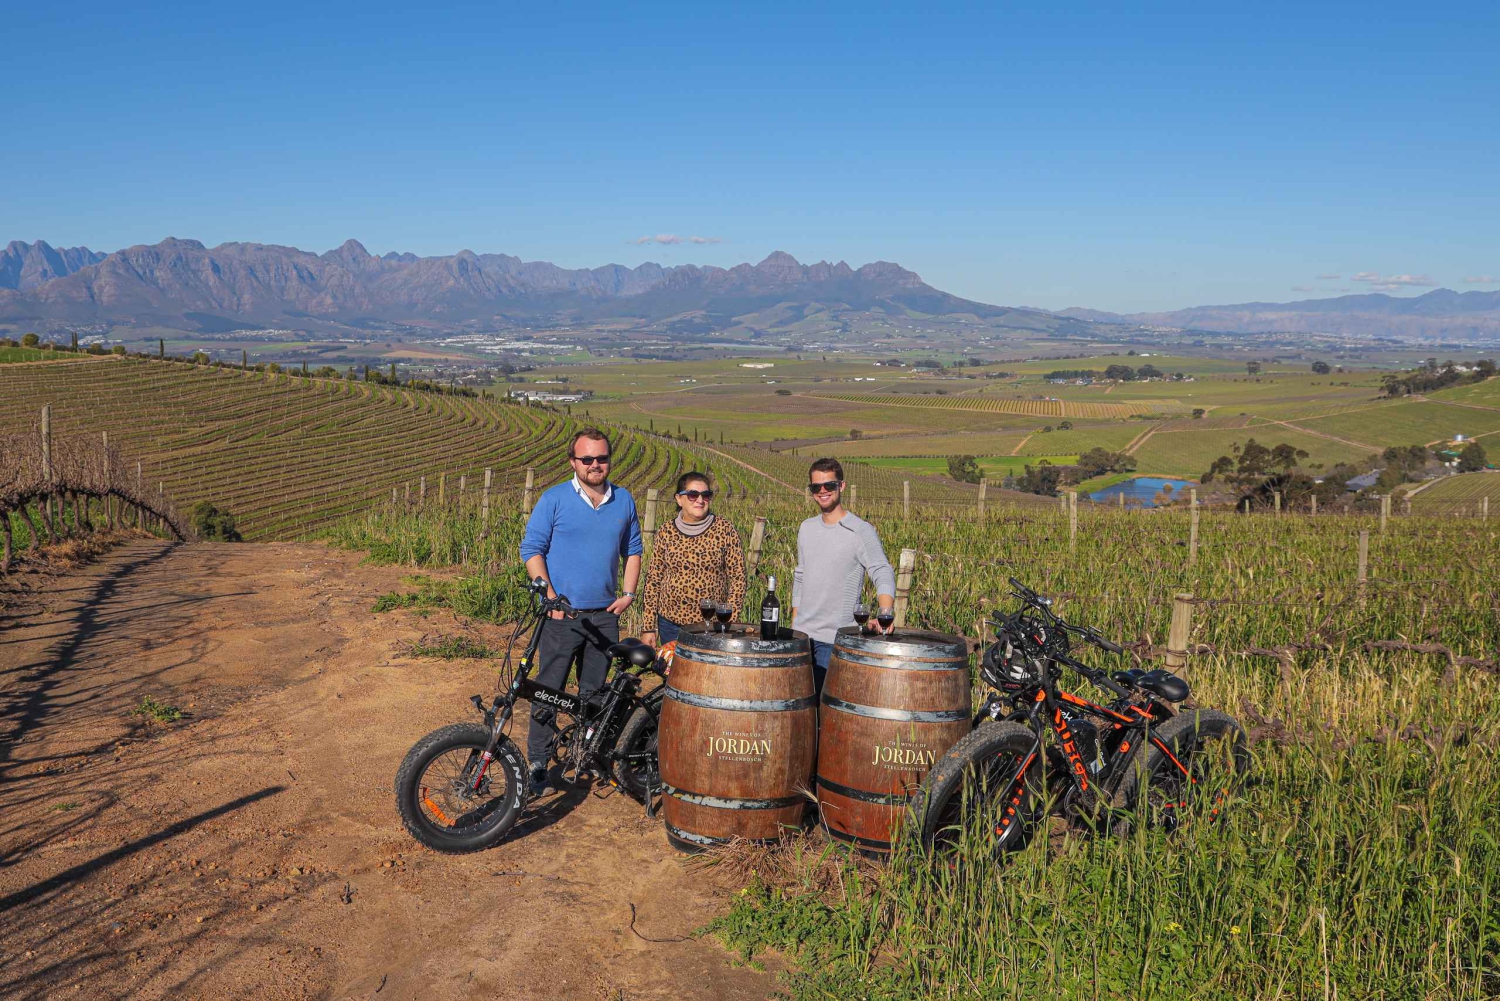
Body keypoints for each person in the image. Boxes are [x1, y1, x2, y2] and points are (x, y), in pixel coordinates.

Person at [518, 428, 643, 797]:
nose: (594, 465)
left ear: (609, 460)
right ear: (572, 461)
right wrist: (551, 600)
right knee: (548, 691)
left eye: (601, 458)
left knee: (596, 694)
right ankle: (539, 764)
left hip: (605, 616)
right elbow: (532, 550)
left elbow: (633, 550)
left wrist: (629, 594)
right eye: (586, 459)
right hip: (562, 616)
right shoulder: (554, 498)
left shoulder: (623, 500)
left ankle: (587, 754)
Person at [792, 457, 896, 690]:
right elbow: (800, 577)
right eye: (816, 487)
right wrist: (794, 626)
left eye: (829, 485)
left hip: (834, 641)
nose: (823, 491)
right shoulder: (806, 528)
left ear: (842, 486)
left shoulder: (860, 531)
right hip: (801, 639)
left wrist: (885, 612)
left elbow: (882, 570)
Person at [640, 471, 746, 647]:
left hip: (711, 625)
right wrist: (648, 627)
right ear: (679, 499)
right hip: (670, 623)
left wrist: (728, 620)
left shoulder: (724, 530)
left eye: (706, 495)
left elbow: (738, 578)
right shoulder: (666, 531)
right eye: (692, 495)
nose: (700, 500)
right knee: (672, 672)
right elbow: (654, 579)